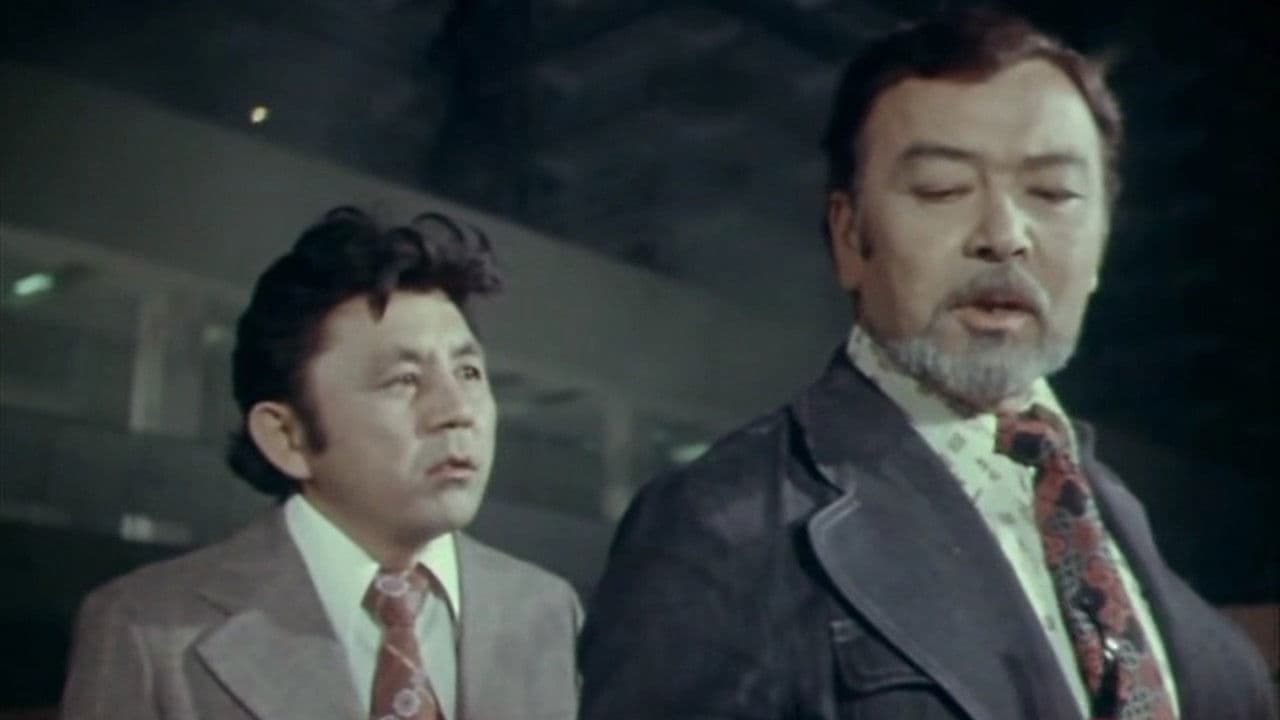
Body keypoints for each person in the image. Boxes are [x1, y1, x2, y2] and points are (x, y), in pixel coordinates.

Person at [578, 9, 1276, 720]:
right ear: (849, 237)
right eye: (942, 188)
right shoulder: (724, 530)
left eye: (1054, 194)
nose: (1004, 235)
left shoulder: (1123, 532)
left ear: (1101, 243)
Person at [61, 207, 581, 720]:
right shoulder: (148, 629)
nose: (458, 411)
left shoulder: (548, 611)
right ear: (286, 436)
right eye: (403, 381)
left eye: (468, 373)